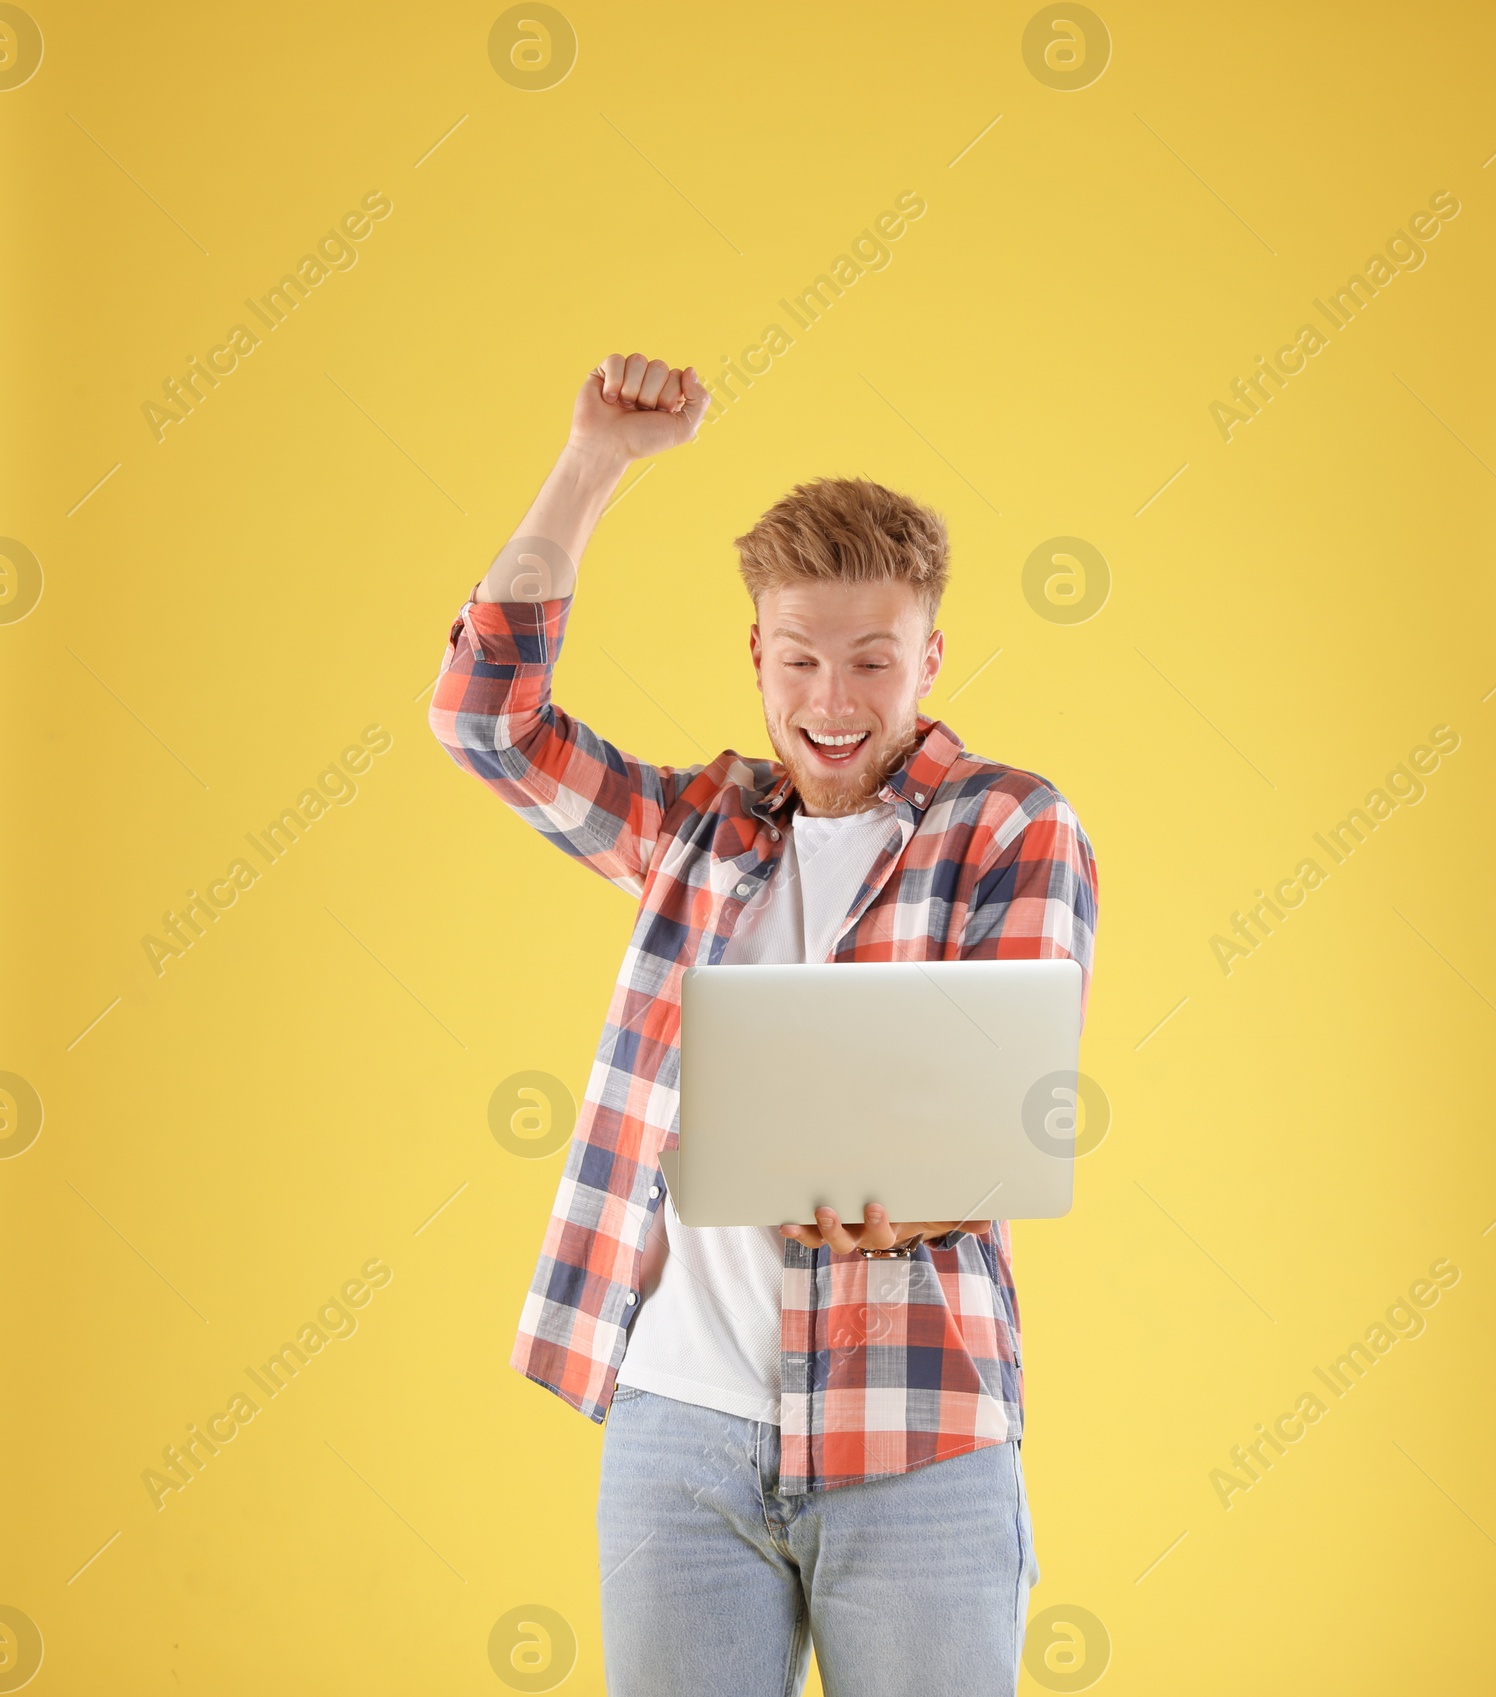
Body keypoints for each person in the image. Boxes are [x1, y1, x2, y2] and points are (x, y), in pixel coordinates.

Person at [428, 353, 1099, 1696]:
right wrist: (592, 465)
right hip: (681, 1429)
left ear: (931, 653)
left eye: (872, 659)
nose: (834, 701)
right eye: (799, 659)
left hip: (917, 1431)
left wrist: (908, 1200)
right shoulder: (695, 826)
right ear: (755, 652)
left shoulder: (1011, 825)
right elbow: (483, 721)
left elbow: (1005, 1105)